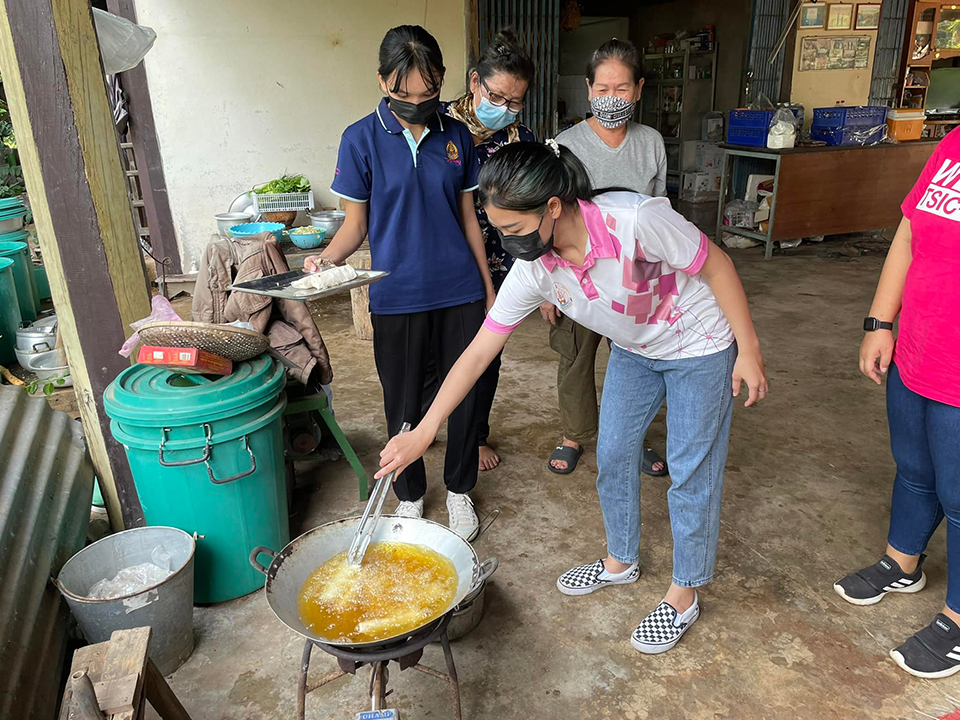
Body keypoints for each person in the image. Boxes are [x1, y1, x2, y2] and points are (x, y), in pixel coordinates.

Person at [376, 141, 768, 654]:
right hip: (635, 348)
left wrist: (750, 350)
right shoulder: (535, 267)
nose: (506, 240)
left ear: (553, 207)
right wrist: (423, 430)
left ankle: (684, 591)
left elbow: (716, 265)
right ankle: (620, 561)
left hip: (699, 343)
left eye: (514, 229)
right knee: (612, 453)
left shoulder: (635, 220)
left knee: (691, 471)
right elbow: (477, 353)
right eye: (498, 229)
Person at [304, 25, 496, 540]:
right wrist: (324, 262)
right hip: (396, 295)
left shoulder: (456, 136)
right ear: (382, 81)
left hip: (459, 289)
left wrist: (488, 287)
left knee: (466, 397)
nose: (416, 103)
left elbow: (469, 218)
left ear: (442, 83)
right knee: (403, 401)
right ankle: (410, 494)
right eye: (403, 93)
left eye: (428, 93)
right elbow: (354, 225)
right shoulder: (360, 139)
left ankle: (458, 489)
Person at [834, 126, 960, 679]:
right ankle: (903, 561)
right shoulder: (954, 143)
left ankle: (958, 617)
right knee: (914, 468)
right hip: (917, 349)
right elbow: (910, 233)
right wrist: (880, 322)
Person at [545, 38, 668, 476]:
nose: (610, 98)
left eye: (620, 89)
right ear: (588, 89)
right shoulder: (564, 144)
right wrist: (547, 287)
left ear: (638, 90)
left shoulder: (651, 143)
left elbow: (660, 210)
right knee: (576, 356)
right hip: (579, 274)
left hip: (636, 275)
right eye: (601, 89)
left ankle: (633, 437)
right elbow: (548, 215)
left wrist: (662, 277)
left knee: (638, 359)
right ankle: (573, 435)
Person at [439, 27, 536, 472]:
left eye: (515, 102)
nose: (506, 110)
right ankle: (430, 424)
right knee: (436, 350)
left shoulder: (521, 141)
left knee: (484, 352)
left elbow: (534, 209)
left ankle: (475, 434)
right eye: (498, 97)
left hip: (498, 264)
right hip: (439, 256)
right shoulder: (437, 125)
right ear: (475, 82)